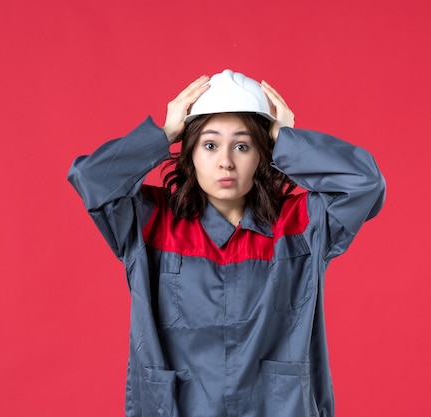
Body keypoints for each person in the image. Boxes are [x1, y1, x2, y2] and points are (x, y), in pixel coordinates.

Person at [68, 69, 386, 417]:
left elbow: (365, 184)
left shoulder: (302, 224)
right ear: (188, 153)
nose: (226, 162)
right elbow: (91, 178)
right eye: (209, 144)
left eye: (242, 145)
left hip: (277, 406)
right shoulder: (149, 221)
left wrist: (289, 140)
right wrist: (162, 135)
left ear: (263, 154)